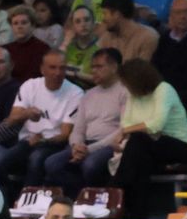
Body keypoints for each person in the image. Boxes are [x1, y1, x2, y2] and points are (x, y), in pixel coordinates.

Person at [0, 49, 82, 185]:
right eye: (52, 68)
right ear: (42, 69)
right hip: (27, 141)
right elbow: (12, 119)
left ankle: (28, 201)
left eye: (62, 68)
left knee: (36, 159)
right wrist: (27, 113)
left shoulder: (75, 93)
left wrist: (43, 141)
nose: (58, 73)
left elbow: (65, 135)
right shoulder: (30, 85)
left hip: (53, 144)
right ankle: (7, 199)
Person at [115, 57, 187, 219]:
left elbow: (156, 125)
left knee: (138, 142)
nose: (125, 87)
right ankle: (137, 218)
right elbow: (127, 122)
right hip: (148, 147)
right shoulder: (134, 96)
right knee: (141, 163)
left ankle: (118, 187)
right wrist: (127, 130)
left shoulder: (164, 89)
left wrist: (125, 131)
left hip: (179, 145)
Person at [45, 48, 126, 193]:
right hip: (85, 145)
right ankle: (82, 197)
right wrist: (77, 146)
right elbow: (78, 130)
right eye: (92, 67)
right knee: (52, 163)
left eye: (99, 67)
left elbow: (123, 130)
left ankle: (95, 199)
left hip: (110, 145)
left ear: (114, 67)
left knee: (90, 165)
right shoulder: (88, 95)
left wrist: (89, 150)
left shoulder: (126, 91)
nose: (94, 71)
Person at [96, 0, 160, 63]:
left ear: (117, 14)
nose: (103, 19)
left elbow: (141, 72)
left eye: (105, 13)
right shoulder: (107, 35)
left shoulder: (148, 37)